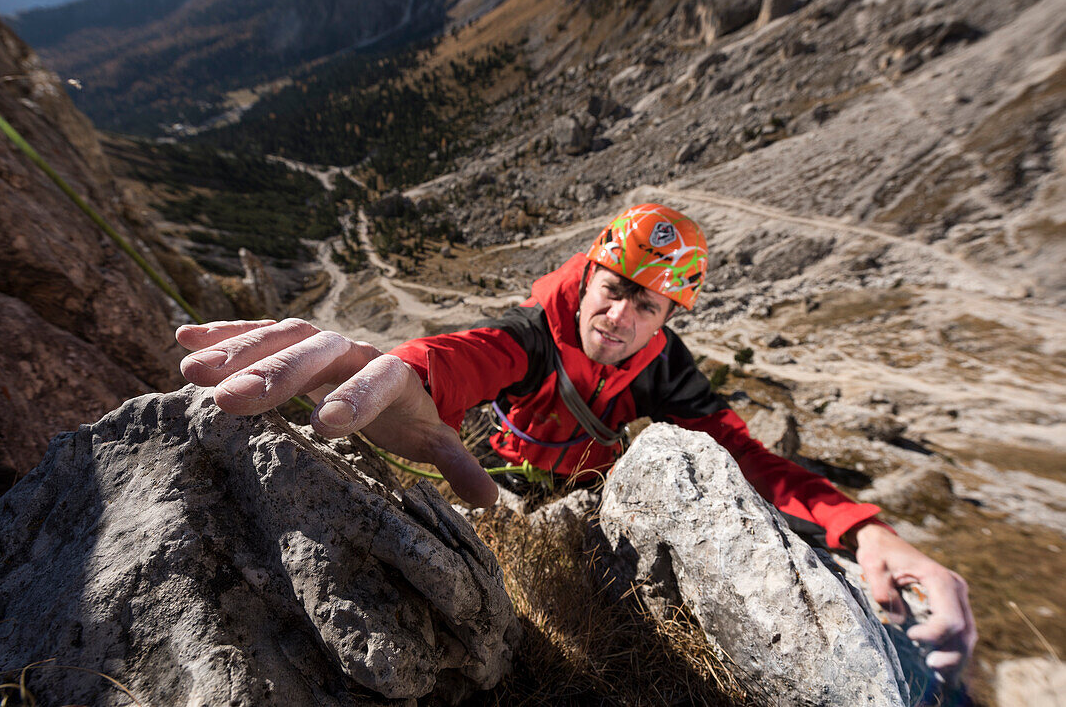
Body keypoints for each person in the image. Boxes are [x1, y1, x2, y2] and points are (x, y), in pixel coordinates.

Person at [176, 203, 976, 682]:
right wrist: (408, 375)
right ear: (588, 276)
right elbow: (468, 356)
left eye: (648, 307)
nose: (621, 320)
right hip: (507, 474)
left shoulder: (664, 368)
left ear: (668, 321)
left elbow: (747, 457)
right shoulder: (535, 334)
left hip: (581, 484)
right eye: (614, 290)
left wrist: (864, 528)